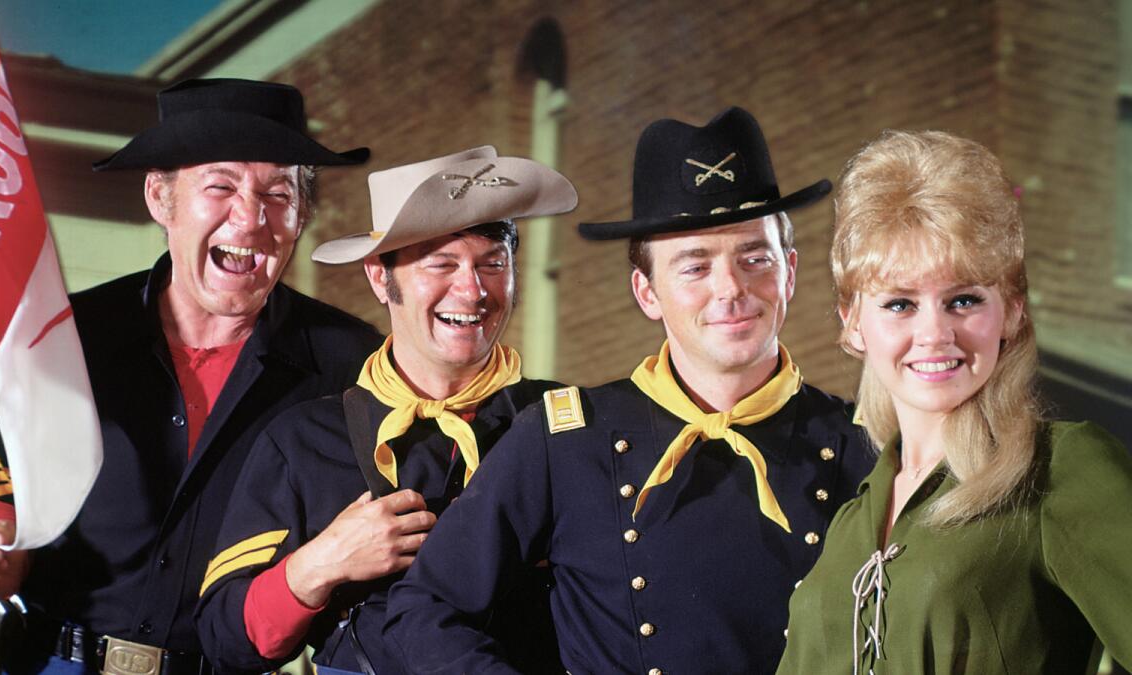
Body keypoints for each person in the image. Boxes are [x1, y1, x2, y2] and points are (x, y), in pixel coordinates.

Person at [384, 107, 875, 674]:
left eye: (754, 258)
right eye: (694, 266)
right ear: (647, 292)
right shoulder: (565, 438)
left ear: (789, 271)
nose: (731, 289)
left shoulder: (861, 440)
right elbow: (424, 609)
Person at [0, 78, 381, 674]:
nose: (250, 217)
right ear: (160, 197)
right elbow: (2, 509)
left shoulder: (351, 365)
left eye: (279, 193)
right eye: (220, 186)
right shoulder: (63, 339)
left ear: (301, 214)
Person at [194, 146, 578, 675]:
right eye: (441, 263)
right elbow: (224, 639)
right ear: (380, 275)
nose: (471, 289)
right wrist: (319, 565)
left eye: (493, 264)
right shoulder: (303, 440)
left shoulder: (568, 422)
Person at [775, 130, 1132, 674]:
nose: (934, 333)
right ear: (853, 325)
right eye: (900, 304)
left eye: (963, 299)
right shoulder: (852, 518)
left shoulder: (1060, 469)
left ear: (1010, 311)